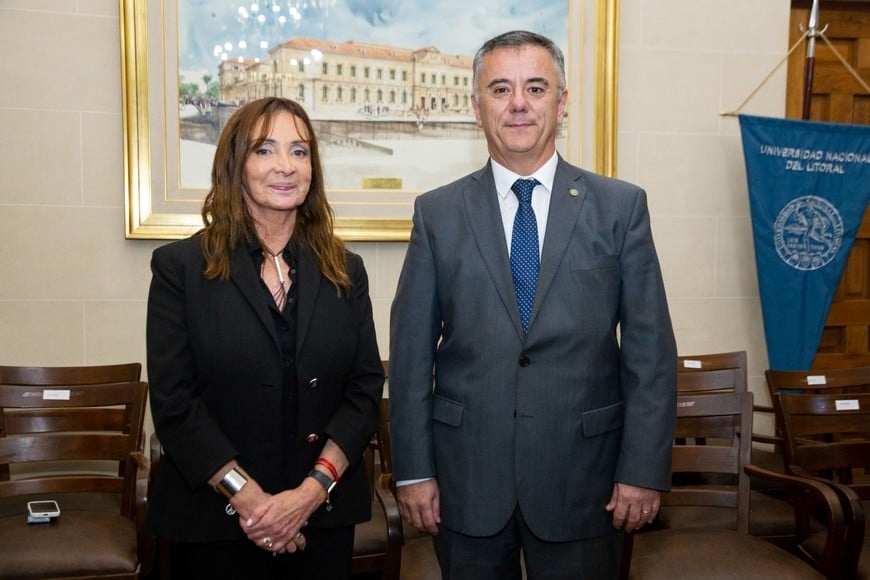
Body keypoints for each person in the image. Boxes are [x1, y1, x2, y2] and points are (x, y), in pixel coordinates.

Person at [389, 30, 677, 579]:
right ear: (477, 107)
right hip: (465, 482)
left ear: (561, 102)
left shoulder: (620, 208)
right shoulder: (438, 214)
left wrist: (642, 470)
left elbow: (650, 353)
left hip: (585, 482)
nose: (518, 103)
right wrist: (412, 472)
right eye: (500, 89)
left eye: (535, 87)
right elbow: (408, 359)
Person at [146, 97, 384, 579]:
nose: (285, 166)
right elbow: (175, 404)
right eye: (264, 150)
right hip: (214, 523)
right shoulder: (180, 269)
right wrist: (254, 504)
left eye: (299, 152)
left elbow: (363, 391)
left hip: (322, 519)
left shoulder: (345, 271)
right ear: (235, 164)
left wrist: (310, 494)